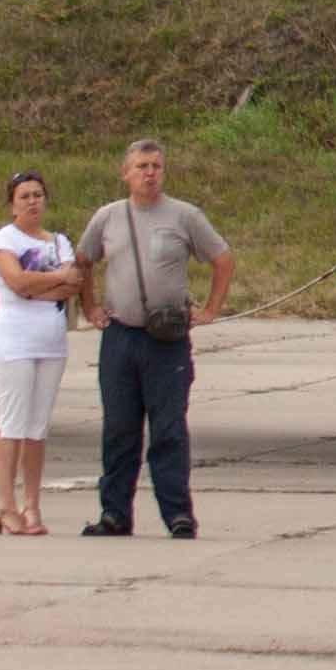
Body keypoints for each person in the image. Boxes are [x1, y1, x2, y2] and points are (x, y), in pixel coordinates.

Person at [77, 137, 232, 539]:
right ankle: (114, 514)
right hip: (121, 338)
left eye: (156, 166)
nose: (150, 173)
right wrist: (91, 307)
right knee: (119, 430)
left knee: (168, 431)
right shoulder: (108, 217)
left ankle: (178, 515)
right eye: (142, 166)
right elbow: (83, 261)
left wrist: (212, 308)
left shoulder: (185, 216)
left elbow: (222, 258)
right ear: (125, 173)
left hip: (166, 340)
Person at [0, 170, 76, 536]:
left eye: (38, 194)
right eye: (25, 196)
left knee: (37, 428)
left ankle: (32, 503)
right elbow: (16, 281)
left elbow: (73, 282)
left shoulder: (59, 241)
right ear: (12, 204)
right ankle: (5, 505)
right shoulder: (3, 240)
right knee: (13, 423)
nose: (32, 201)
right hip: (15, 340)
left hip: (51, 342)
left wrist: (41, 286)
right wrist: (50, 282)